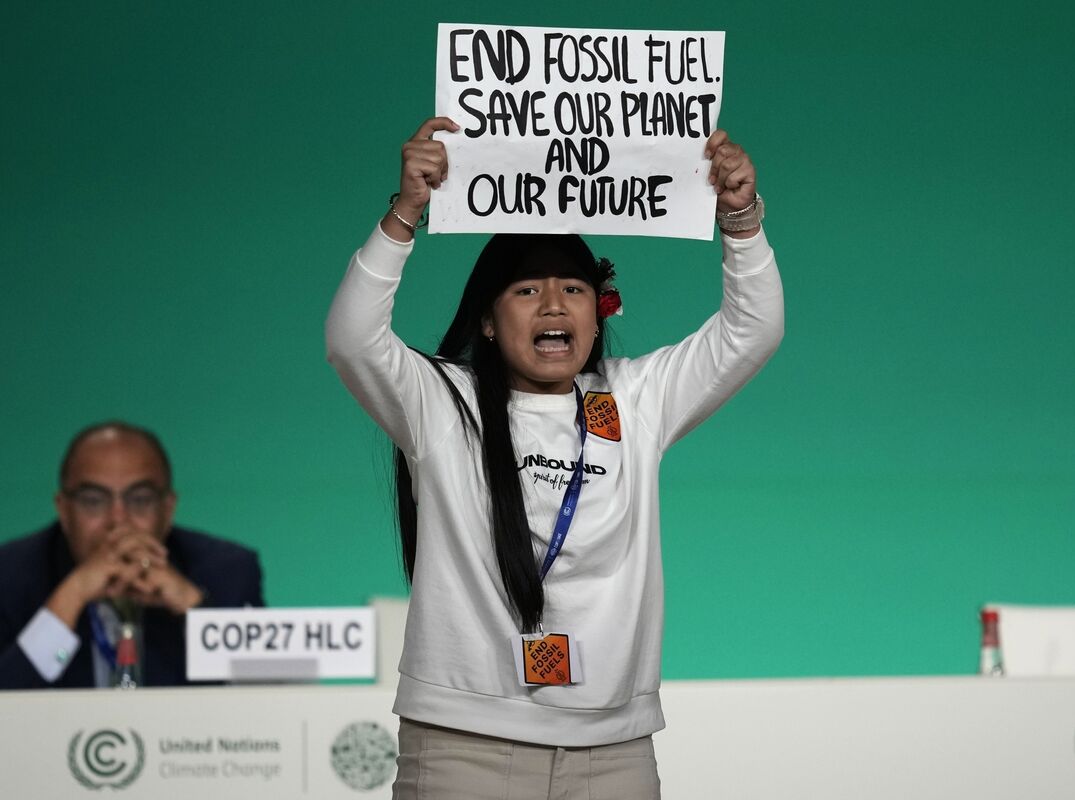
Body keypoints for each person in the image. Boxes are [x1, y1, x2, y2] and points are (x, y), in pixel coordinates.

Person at [326, 117, 783, 799]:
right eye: (525, 289)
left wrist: (741, 219)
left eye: (571, 289)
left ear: (598, 313)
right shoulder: (443, 401)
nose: (552, 303)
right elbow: (353, 338)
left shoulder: (633, 399)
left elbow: (753, 330)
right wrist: (405, 213)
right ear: (486, 318)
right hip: (464, 746)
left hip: (613, 751)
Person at [0, 421, 264, 689]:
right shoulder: (10, 577)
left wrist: (193, 609)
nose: (118, 520)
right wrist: (73, 594)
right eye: (93, 500)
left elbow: (269, 705)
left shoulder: (226, 573)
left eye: (140, 499)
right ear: (64, 510)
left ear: (168, 509)